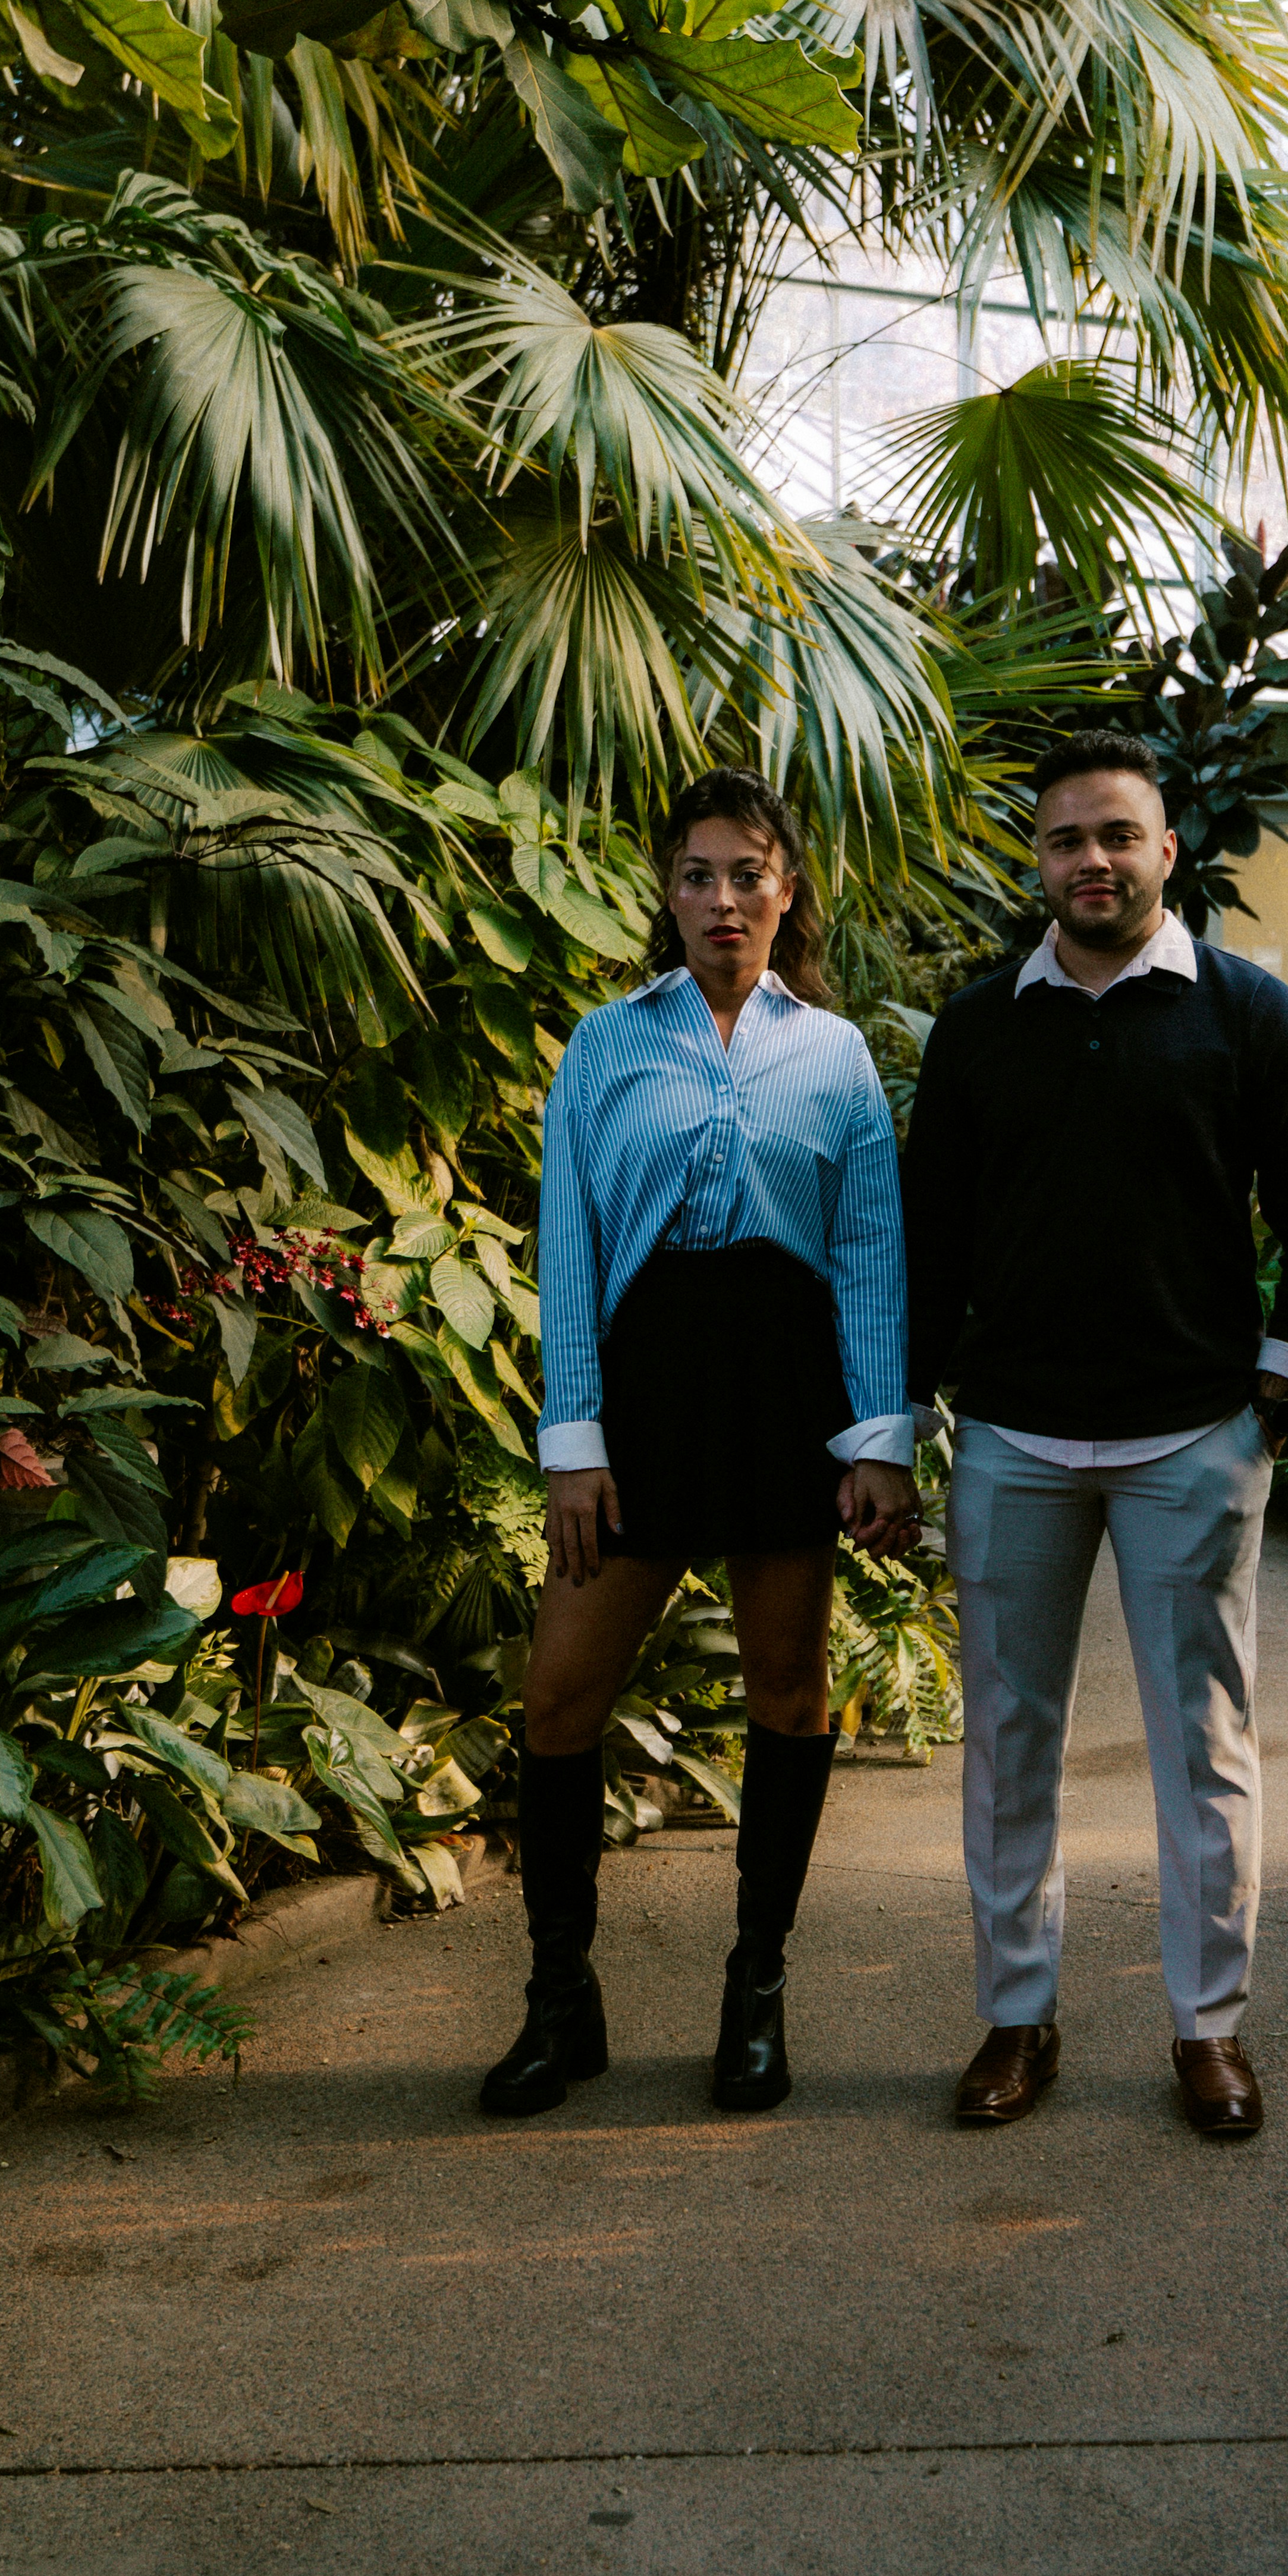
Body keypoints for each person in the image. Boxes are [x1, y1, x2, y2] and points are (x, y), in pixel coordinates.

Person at [902, 729, 1288, 2140]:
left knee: (1204, 1745)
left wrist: (1272, 1400)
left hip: (1189, 1437)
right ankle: (1016, 2015)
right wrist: (903, 1415)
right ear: (1036, 862)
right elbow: (930, 1244)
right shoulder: (980, 1030)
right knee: (1009, 1743)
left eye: (1118, 834)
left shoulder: (1247, 1012)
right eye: (1065, 840)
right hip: (1017, 1441)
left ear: (1168, 849)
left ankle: (1209, 2029)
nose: (1091, 861)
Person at [485, 769, 917, 2122]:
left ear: (788, 889)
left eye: (749, 872)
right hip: (644, 1388)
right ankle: (562, 1996)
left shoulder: (836, 1056)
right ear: (665, 893)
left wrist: (876, 1437)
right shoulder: (605, 1043)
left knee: (788, 1689)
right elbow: (569, 1250)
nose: (723, 898)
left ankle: (757, 1989)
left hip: (785, 1385)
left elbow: (865, 1256)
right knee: (559, 1696)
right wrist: (574, 1439)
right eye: (697, 874)